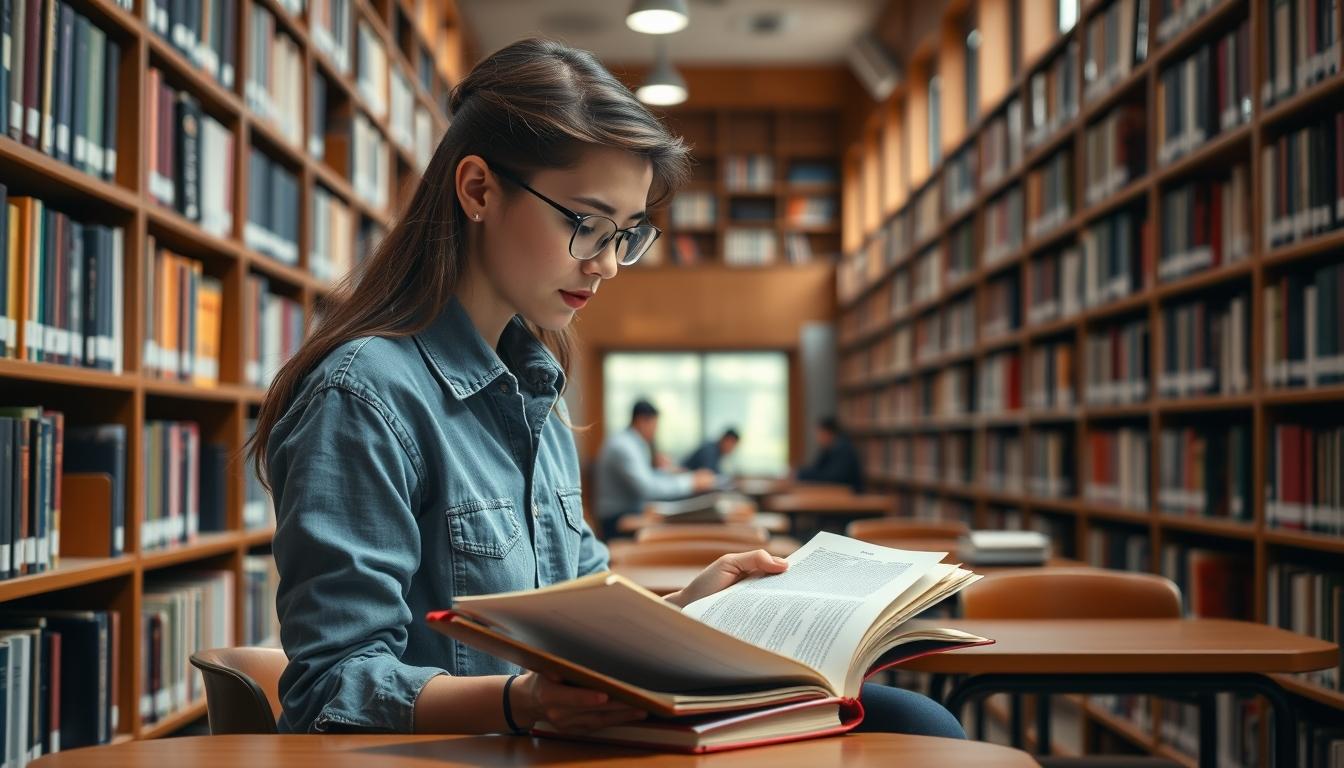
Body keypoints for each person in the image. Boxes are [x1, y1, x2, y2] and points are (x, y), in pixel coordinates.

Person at [250, 38, 963, 740]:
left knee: (911, 722)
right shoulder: (365, 396)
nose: (608, 266)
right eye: (586, 225)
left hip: (557, 743)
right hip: (481, 751)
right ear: (478, 189)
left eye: (626, 234)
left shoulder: (537, 393)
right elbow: (327, 688)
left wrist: (689, 609)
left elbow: (578, 624)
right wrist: (519, 705)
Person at [593, 400, 719, 540]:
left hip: (633, 511)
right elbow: (647, 488)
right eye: (654, 425)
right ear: (642, 421)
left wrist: (673, 474)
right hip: (617, 519)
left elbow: (648, 478)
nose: (655, 431)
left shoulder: (633, 443)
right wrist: (690, 482)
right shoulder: (623, 446)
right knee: (688, 526)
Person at [797, 416, 864, 492]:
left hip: (848, 496)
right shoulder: (828, 449)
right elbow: (816, 468)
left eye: (819, 434)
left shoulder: (843, 450)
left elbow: (832, 478)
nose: (817, 438)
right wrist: (800, 473)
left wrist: (801, 475)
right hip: (836, 493)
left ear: (828, 433)